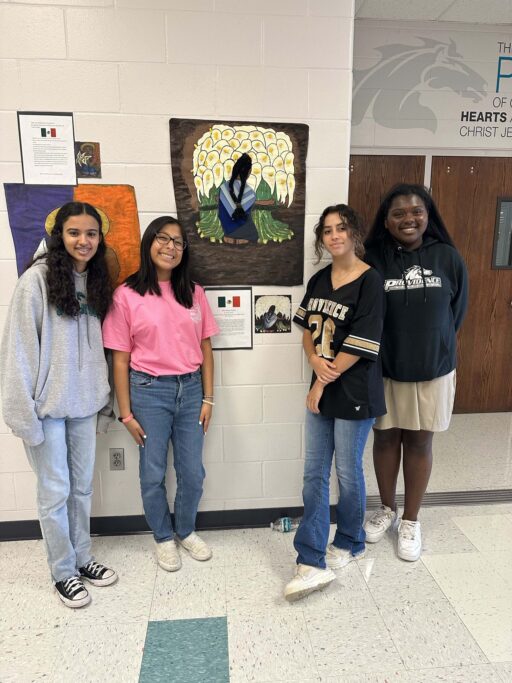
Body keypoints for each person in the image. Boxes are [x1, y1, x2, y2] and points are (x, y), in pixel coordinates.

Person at [0, 201, 118, 609]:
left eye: (91, 233)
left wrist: (105, 403)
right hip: (46, 410)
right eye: (74, 233)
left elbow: (100, 351)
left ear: (99, 239)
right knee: (55, 492)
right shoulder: (35, 281)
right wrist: (23, 417)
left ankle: (83, 558)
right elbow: (16, 351)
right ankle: (63, 571)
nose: (83, 241)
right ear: (59, 236)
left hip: (84, 406)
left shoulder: (98, 282)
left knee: (82, 489)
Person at [102, 216, 218, 572]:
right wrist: (125, 413)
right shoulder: (126, 295)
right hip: (148, 392)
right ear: (149, 242)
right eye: (163, 239)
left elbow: (206, 348)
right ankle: (163, 537)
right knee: (152, 472)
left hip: (191, 390)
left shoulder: (193, 292)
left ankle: (185, 530)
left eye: (178, 242)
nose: (170, 247)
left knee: (192, 472)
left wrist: (209, 398)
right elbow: (119, 360)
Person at [284, 204, 385, 601]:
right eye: (327, 231)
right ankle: (309, 556)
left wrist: (321, 382)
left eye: (341, 228)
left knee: (347, 472)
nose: (334, 236)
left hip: (354, 390)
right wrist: (312, 360)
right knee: (313, 473)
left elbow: (361, 345)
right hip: (322, 387)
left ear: (354, 233)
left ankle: (349, 541)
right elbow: (307, 329)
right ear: (321, 240)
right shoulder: (319, 279)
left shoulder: (370, 281)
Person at [363, 184, 468, 561]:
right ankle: (386, 509)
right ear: (386, 221)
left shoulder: (448, 257)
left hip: (432, 369)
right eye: (399, 214)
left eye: (416, 211)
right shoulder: (372, 258)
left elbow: (456, 313)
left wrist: (429, 341)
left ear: (428, 215)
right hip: (386, 369)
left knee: (421, 443)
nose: (409, 219)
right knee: (386, 439)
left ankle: (410, 519)